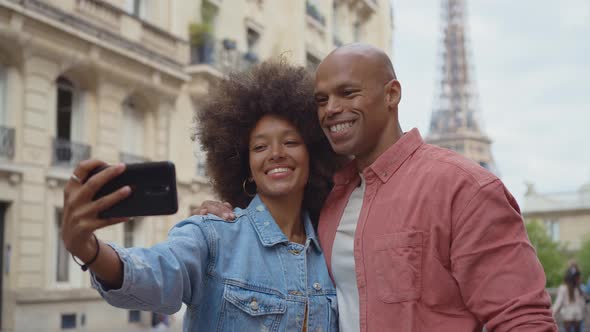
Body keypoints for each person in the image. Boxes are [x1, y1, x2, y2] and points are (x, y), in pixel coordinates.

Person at [196, 43, 557, 331]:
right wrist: (227, 212)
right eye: (321, 100)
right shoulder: (329, 198)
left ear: (392, 94)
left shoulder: (463, 188)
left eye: (347, 93)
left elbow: (522, 319)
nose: (331, 109)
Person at [61, 60, 343, 331]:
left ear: (314, 156)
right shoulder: (212, 235)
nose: (276, 153)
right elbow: (155, 272)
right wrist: (89, 250)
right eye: (259, 147)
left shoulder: (333, 248)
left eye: (291, 142)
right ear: (245, 167)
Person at [553, 268, 586, 332]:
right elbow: (582, 303)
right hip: (578, 315)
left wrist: (552, 313)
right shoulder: (579, 288)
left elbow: (558, 303)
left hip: (567, 315)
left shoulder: (563, 288)